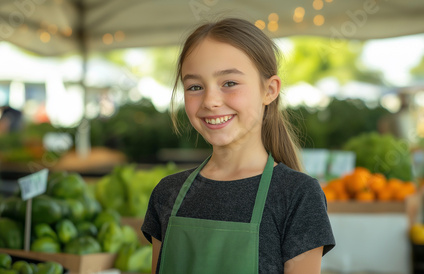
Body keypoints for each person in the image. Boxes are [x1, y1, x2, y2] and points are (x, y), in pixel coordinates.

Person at [142, 18, 335, 274]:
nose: (210, 101)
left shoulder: (297, 196)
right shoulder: (167, 194)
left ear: (269, 89)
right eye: (195, 87)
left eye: (229, 83)